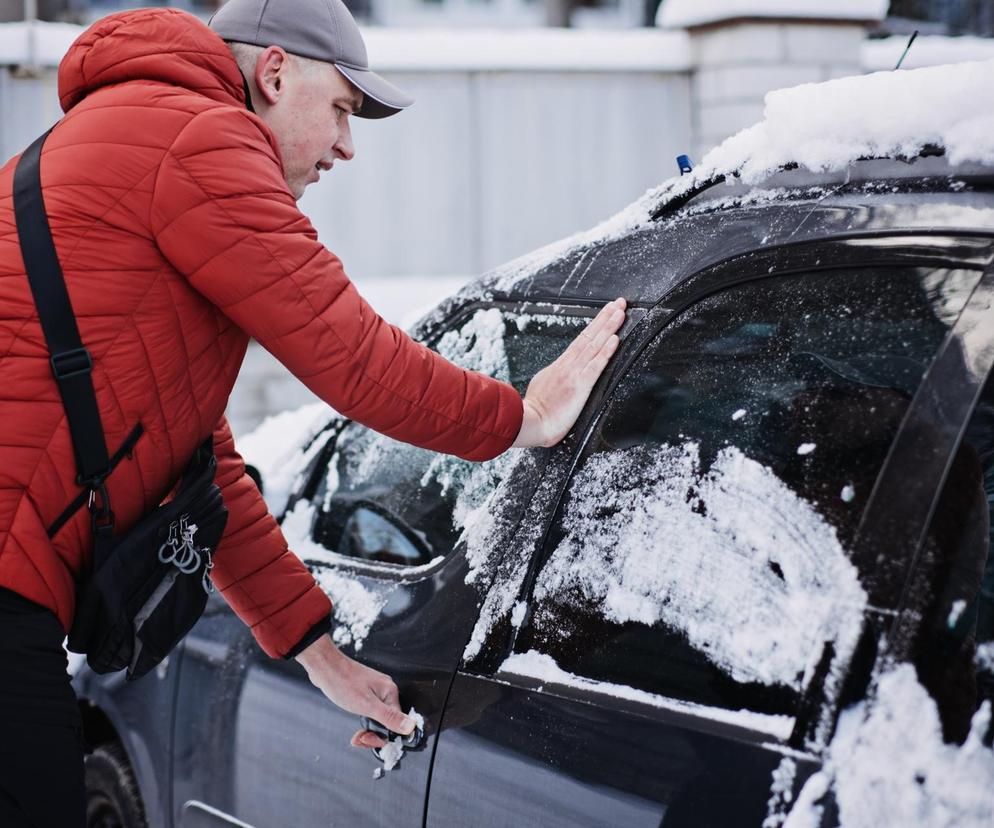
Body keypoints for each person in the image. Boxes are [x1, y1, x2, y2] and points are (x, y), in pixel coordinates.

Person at [0, 0, 625, 825]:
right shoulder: (197, 136)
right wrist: (523, 417)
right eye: (339, 108)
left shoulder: (136, 132)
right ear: (274, 71)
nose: (346, 145)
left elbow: (196, 463)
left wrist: (317, 654)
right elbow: (352, 357)